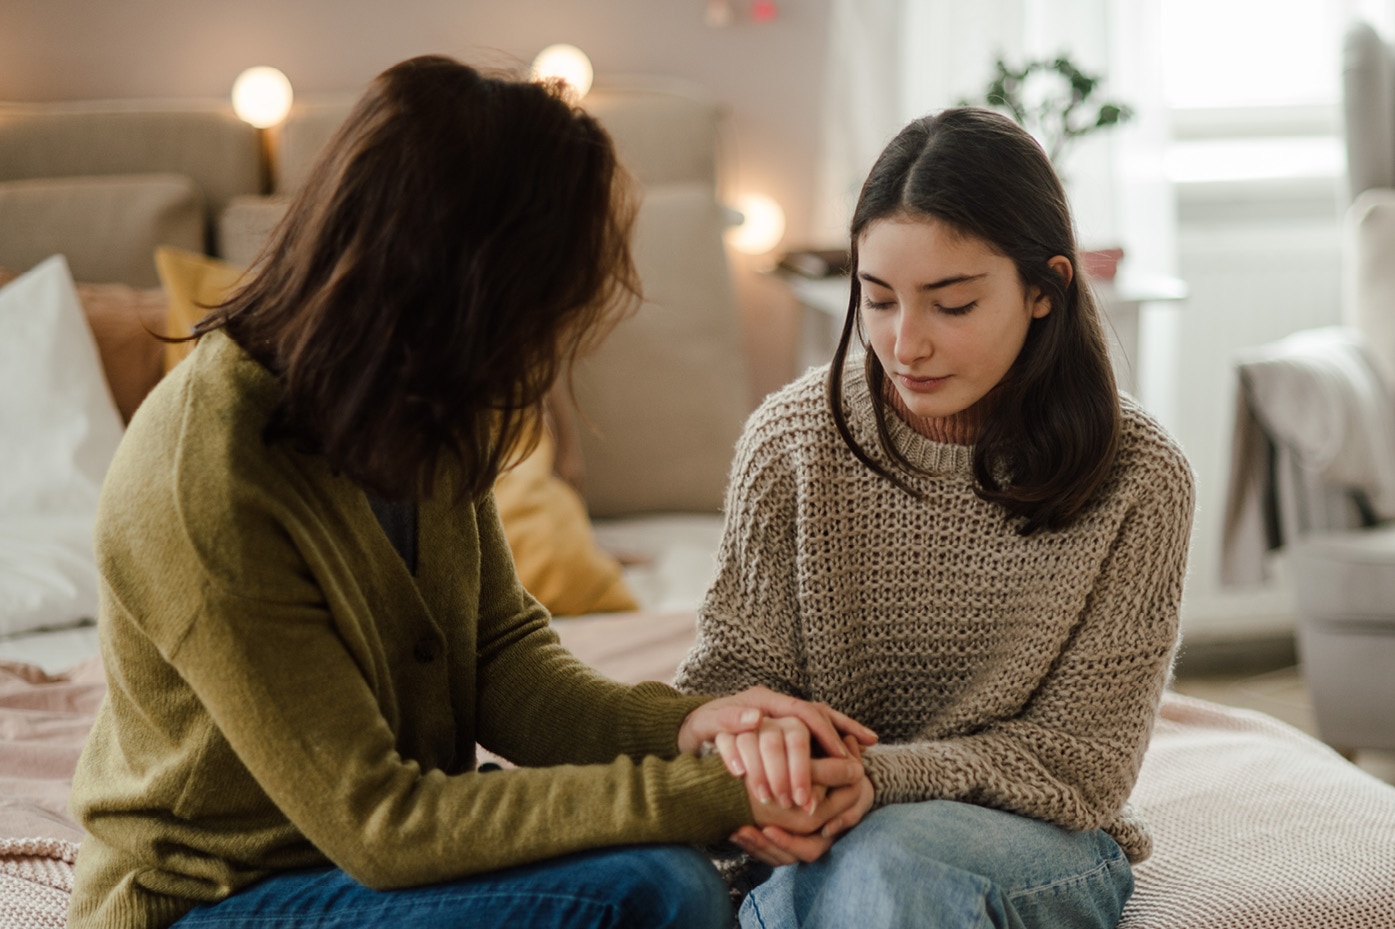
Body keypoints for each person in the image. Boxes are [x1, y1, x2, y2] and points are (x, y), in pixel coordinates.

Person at [65, 55, 877, 929]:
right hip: (216, 893)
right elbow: (382, 825)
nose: (548, 345)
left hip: (371, 863)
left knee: (668, 869)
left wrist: (692, 727)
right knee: (658, 887)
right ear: (460, 288)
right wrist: (703, 794)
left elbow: (501, 661)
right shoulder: (209, 478)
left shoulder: (421, 406)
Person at [675, 107, 1196, 929]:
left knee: (888, 864)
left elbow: (1082, 764)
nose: (903, 342)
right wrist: (762, 749)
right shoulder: (792, 442)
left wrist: (883, 779)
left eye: (950, 305)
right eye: (877, 300)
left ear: (1042, 291)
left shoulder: (1138, 476)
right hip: (821, 826)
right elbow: (728, 685)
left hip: (1032, 836)